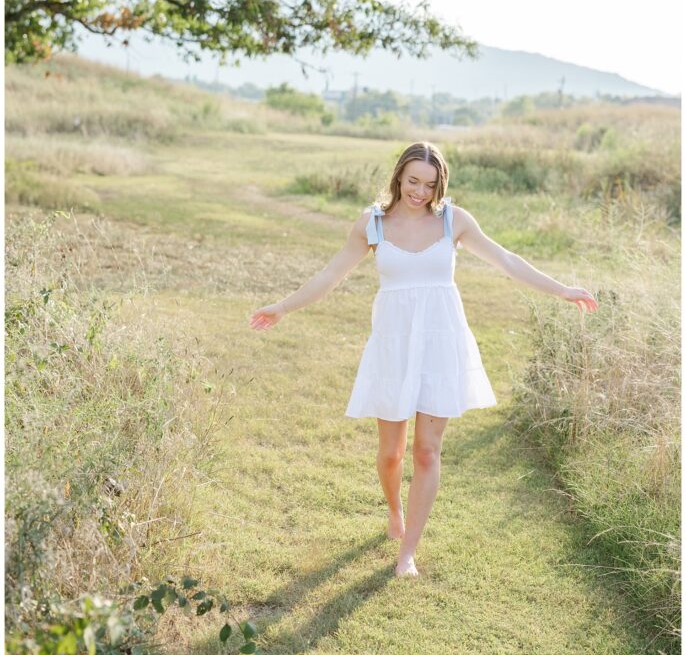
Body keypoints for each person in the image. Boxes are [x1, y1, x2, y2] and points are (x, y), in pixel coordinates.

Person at [249, 141, 598, 578]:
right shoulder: (372, 223)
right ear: (398, 176)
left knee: (427, 452)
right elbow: (330, 274)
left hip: (440, 342)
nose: (420, 191)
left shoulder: (453, 220)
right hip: (394, 344)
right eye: (413, 181)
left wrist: (562, 289)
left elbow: (506, 260)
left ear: (440, 185)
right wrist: (284, 306)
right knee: (391, 453)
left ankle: (407, 552)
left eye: (429, 184)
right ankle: (394, 510)